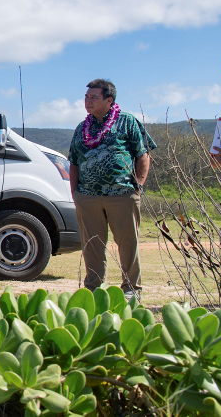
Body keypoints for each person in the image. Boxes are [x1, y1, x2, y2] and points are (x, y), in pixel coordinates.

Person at [68, 79, 155, 299]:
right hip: (88, 197)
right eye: (86, 97)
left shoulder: (127, 122)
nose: (87, 101)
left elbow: (143, 154)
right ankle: (93, 289)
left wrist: (139, 186)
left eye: (93, 97)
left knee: (127, 244)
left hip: (123, 195)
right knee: (92, 245)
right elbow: (74, 161)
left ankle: (131, 289)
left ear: (109, 100)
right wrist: (75, 193)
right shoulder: (82, 127)